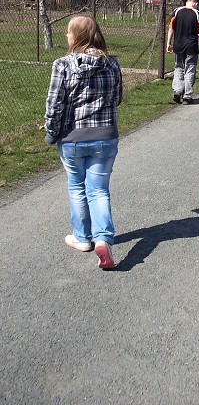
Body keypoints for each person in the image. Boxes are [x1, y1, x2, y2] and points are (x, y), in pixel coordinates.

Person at [44, 15, 122, 270]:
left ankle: (82, 238)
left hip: (72, 137)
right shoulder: (112, 64)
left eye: (69, 32)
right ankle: (103, 239)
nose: (66, 36)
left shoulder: (63, 65)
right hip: (105, 137)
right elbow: (117, 98)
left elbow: (54, 105)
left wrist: (51, 132)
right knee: (99, 190)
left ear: (77, 36)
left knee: (77, 187)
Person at [166, 0, 199, 104]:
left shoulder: (176, 11)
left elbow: (171, 28)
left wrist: (169, 43)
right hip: (191, 46)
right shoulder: (197, 14)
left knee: (178, 68)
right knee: (190, 70)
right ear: (195, 3)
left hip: (178, 45)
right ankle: (187, 95)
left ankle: (177, 90)